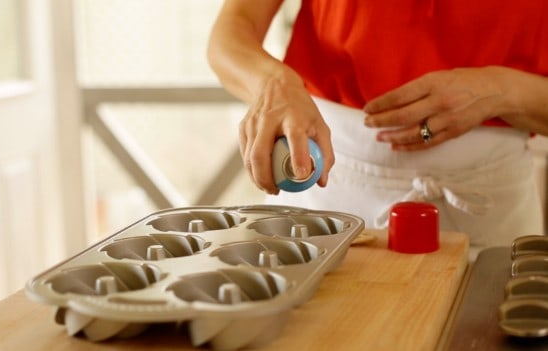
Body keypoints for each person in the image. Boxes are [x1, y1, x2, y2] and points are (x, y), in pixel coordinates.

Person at [207, 0, 548, 256]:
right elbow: (233, 29)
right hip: (327, 191)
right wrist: (272, 82)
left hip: (489, 213)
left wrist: (503, 92)